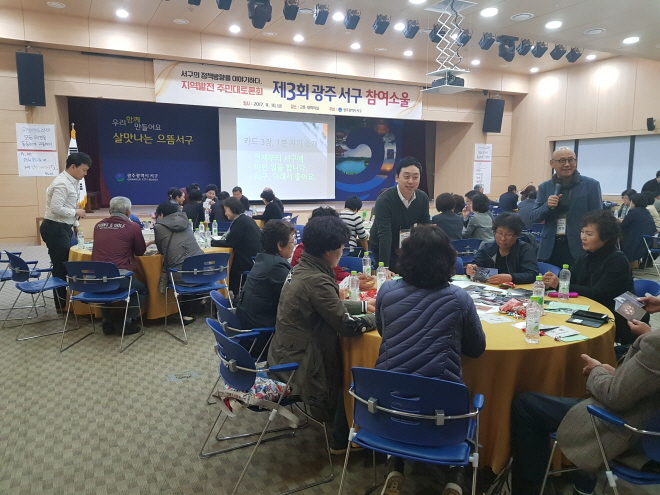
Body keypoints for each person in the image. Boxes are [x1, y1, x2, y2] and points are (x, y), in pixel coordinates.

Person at [375, 225, 486, 495]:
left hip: (388, 405)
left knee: (402, 395)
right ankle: (456, 476)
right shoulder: (459, 298)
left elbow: (383, 331)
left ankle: (395, 465)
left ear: (405, 257)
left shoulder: (386, 291)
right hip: (441, 411)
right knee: (464, 404)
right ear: (448, 260)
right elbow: (476, 349)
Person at [510, 318, 660, 495]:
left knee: (525, 405)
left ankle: (532, 488)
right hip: (647, 421)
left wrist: (597, 371)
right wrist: (617, 375)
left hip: (632, 434)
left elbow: (614, 396)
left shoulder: (655, 343)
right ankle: (581, 484)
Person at [267, 215, 376, 454]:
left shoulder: (302, 268)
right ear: (329, 251)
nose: (342, 252)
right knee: (354, 368)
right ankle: (342, 438)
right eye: (341, 248)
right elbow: (346, 325)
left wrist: (363, 306)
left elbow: (325, 306)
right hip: (302, 364)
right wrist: (381, 317)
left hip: (283, 353)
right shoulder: (317, 279)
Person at [542, 210, 638, 344]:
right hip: (590, 308)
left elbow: (599, 293)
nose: (583, 237)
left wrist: (560, 285)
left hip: (617, 315)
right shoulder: (587, 256)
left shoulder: (617, 260)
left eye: (589, 234)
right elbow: (571, 281)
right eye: (582, 232)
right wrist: (552, 283)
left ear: (605, 237)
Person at [531, 147, 602, 268]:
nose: (567, 164)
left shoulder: (591, 185)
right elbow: (534, 217)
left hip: (579, 246)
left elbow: (598, 217)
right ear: (552, 163)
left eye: (571, 160)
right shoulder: (545, 187)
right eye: (562, 161)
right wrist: (547, 206)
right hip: (551, 247)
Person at [91, 196, 151, 336]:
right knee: (142, 290)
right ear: (128, 212)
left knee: (104, 286)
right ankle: (128, 322)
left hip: (96, 276)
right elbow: (140, 251)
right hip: (119, 277)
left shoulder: (98, 225)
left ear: (110, 211)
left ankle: (106, 322)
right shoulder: (133, 226)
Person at [235, 220, 295, 355]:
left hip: (247, 332)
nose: (293, 246)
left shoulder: (263, 259)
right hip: (260, 340)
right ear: (280, 245)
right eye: (292, 242)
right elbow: (295, 300)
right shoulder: (277, 267)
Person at [40, 152, 91, 309]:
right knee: (61, 267)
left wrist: (76, 225)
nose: (85, 173)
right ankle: (61, 305)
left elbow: (69, 206)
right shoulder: (62, 183)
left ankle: (65, 301)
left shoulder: (72, 181)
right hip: (55, 227)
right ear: (73, 167)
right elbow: (56, 208)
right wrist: (76, 212)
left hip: (64, 226)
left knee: (64, 264)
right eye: (83, 170)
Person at [369, 156, 431, 269]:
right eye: (406, 177)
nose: (411, 181)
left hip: (405, 245)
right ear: (397, 177)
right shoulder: (384, 199)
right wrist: (385, 267)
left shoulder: (423, 198)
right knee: (391, 273)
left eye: (415, 177)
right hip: (382, 244)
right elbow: (384, 234)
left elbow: (425, 229)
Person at [153, 201, 204, 324]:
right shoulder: (187, 223)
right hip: (203, 271)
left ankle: (185, 313)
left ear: (161, 214)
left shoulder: (158, 227)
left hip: (179, 274)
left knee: (181, 269)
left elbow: (161, 250)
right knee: (188, 267)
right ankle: (198, 301)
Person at [466, 213, 539, 285]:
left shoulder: (525, 250)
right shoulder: (487, 248)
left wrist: (511, 277)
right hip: (490, 287)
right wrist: (471, 269)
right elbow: (476, 265)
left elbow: (532, 274)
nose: (503, 238)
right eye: (499, 233)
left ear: (517, 235)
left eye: (508, 234)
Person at [210, 197, 262, 296]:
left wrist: (211, 242)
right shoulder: (245, 219)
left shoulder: (241, 221)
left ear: (233, 209)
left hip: (248, 260)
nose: (225, 213)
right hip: (255, 257)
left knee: (227, 266)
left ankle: (229, 293)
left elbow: (230, 242)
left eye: (226, 210)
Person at [291, 207, 351, 284]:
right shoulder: (303, 252)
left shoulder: (324, 256)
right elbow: (318, 282)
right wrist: (349, 282)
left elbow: (336, 271)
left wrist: (352, 278)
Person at [620, 193, 657, 263]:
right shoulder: (646, 212)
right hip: (648, 241)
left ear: (634, 203)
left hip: (636, 242)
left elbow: (623, 226)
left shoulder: (633, 212)